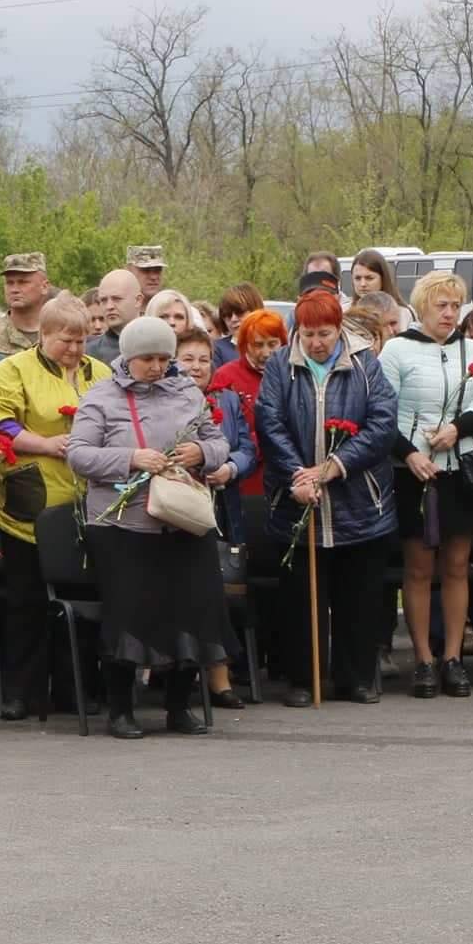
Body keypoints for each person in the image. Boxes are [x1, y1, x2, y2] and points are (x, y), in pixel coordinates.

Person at [67, 316, 231, 737]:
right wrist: (131, 458)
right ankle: (120, 709)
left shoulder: (187, 392)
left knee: (191, 607)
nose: (157, 367)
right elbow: (79, 455)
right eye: (147, 359)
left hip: (181, 521)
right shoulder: (101, 397)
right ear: (128, 358)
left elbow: (218, 442)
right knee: (130, 613)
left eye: (163, 358)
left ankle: (180, 706)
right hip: (123, 526)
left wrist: (202, 453)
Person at [259, 289, 400, 707]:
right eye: (308, 333)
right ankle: (305, 679)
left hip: (357, 498)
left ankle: (355, 677)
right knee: (301, 598)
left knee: (358, 596)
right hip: (298, 499)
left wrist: (336, 465)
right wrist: (297, 476)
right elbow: (270, 422)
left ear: (338, 329)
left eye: (324, 333)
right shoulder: (279, 368)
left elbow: (382, 423)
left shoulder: (364, 364)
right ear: (296, 331)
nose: (317, 342)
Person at [0, 296, 110, 719]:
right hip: (29, 505)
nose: (75, 349)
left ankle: (76, 690)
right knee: (26, 604)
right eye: (66, 340)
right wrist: (45, 444)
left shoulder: (102, 373)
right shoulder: (13, 370)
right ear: (44, 334)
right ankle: (21, 692)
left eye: (82, 340)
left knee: (80, 601)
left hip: (87, 506)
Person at [380, 272, 473, 700]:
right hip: (414, 471)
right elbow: (382, 410)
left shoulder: (469, 349)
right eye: (441, 306)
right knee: (419, 566)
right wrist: (410, 453)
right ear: (422, 308)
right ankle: (424, 660)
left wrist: (457, 428)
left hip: (458, 469)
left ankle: (452, 658)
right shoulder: (397, 349)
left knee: (456, 564)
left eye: (455, 306)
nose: (450, 314)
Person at [176, 326, 252, 706]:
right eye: (187, 358)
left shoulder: (228, 400)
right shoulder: (167, 401)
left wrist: (229, 468)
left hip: (221, 507)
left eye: (203, 359)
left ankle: (219, 678)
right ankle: (178, 675)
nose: (196, 366)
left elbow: (246, 448)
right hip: (176, 509)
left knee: (216, 594)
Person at [209, 309, 287, 503]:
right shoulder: (226, 376)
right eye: (258, 345)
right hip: (247, 483)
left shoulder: (293, 374)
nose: (266, 352)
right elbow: (223, 432)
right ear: (245, 345)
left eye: (273, 344)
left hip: (287, 479)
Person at [87, 268, 143, 365]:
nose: (109, 306)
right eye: (103, 300)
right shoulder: (89, 354)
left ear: (138, 300)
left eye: (117, 299)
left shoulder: (161, 343)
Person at [0, 252, 51, 354]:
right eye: (9, 283)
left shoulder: (60, 332)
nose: (14, 289)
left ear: (44, 287)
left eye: (23, 282)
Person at [213, 284, 263, 371]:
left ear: (255, 311)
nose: (233, 319)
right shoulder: (217, 349)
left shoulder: (274, 345)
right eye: (227, 315)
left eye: (240, 312)